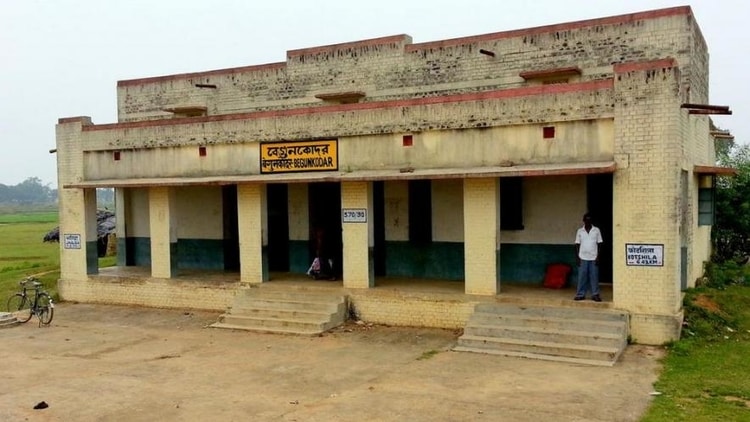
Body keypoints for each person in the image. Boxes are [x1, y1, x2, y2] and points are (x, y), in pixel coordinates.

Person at [574, 213, 603, 302]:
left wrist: (598, 256)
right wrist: (577, 257)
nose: (588, 221)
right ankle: (580, 294)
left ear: (592, 221)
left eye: (590, 219)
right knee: (582, 277)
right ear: (583, 220)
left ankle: (595, 294)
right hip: (582, 257)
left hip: (593, 257)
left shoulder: (596, 230)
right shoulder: (580, 231)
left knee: (594, 277)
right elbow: (577, 245)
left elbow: (600, 244)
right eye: (586, 219)